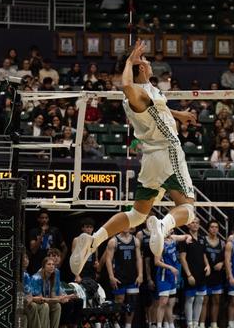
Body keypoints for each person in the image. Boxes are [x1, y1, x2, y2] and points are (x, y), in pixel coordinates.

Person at [70, 40, 197, 276]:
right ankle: (162, 224)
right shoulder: (136, 92)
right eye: (145, 61)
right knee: (188, 208)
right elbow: (127, 85)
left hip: (151, 159)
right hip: (168, 152)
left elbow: (158, 109)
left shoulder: (148, 90)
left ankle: (92, 241)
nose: (149, 64)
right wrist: (130, 60)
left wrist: (179, 115)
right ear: (139, 68)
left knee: (137, 215)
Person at [105, 228, 142, 328]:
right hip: (119, 276)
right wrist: (111, 276)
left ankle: (128, 327)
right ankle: (116, 326)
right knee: (119, 301)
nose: (127, 227)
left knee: (132, 301)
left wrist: (140, 274)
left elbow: (139, 258)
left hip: (133, 276)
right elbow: (108, 259)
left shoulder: (135, 240)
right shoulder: (113, 241)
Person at [154, 232, 190, 328]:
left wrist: (188, 238)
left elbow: (186, 236)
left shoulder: (173, 238)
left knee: (170, 304)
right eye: (169, 229)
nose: (172, 230)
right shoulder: (160, 243)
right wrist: (170, 267)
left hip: (172, 275)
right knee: (163, 303)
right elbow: (156, 261)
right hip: (164, 275)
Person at [179, 219, 209, 328]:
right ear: (187, 224)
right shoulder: (184, 239)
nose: (195, 224)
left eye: (197, 222)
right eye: (192, 222)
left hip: (201, 274)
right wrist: (188, 275)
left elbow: (204, 254)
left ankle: (196, 325)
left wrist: (207, 265)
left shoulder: (202, 239)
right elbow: (182, 258)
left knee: (200, 299)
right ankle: (189, 325)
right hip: (191, 274)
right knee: (190, 299)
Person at [203, 220, 225, 328]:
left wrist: (222, 263)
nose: (214, 229)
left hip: (218, 276)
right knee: (204, 301)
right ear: (208, 229)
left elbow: (228, 258)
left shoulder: (222, 243)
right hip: (205, 275)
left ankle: (213, 326)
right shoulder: (203, 241)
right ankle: (202, 325)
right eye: (212, 227)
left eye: (216, 227)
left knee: (216, 301)